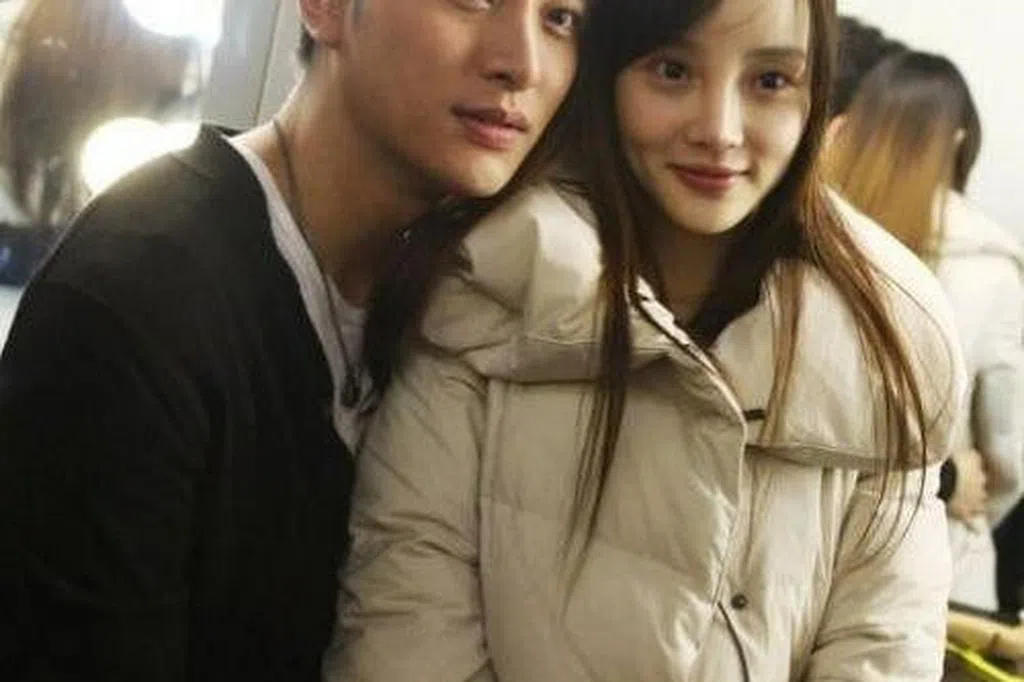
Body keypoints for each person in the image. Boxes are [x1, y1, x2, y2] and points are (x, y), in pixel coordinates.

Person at [328, 0, 965, 680]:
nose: (719, 131)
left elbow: (884, 651)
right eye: (672, 71)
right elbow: (405, 629)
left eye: (770, 81)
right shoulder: (488, 289)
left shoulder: (885, 341)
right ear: (608, 72)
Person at [0, 0, 586, 679]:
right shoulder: (137, 299)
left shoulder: (477, 302)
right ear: (324, 8)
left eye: (561, 18)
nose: (523, 64)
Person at [828, 50, 1024, 613]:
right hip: (939, 569)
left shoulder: (822, 234)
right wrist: (957, 488)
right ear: (959, 140)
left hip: (823, 557)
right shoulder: (991, 267)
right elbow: (1007, 454)